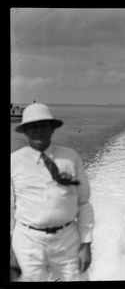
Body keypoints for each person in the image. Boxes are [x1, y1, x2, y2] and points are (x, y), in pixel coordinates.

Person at [10, 103, 94, 281]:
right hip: (27, 240)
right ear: (25, 131)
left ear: (52, 129)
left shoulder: (70, 158)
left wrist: (86, 244)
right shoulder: (14, 162)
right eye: (33, 126)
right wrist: (11, 251)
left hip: (68, 238)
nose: (38, 130)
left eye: (43, 125)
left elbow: (84, 203)